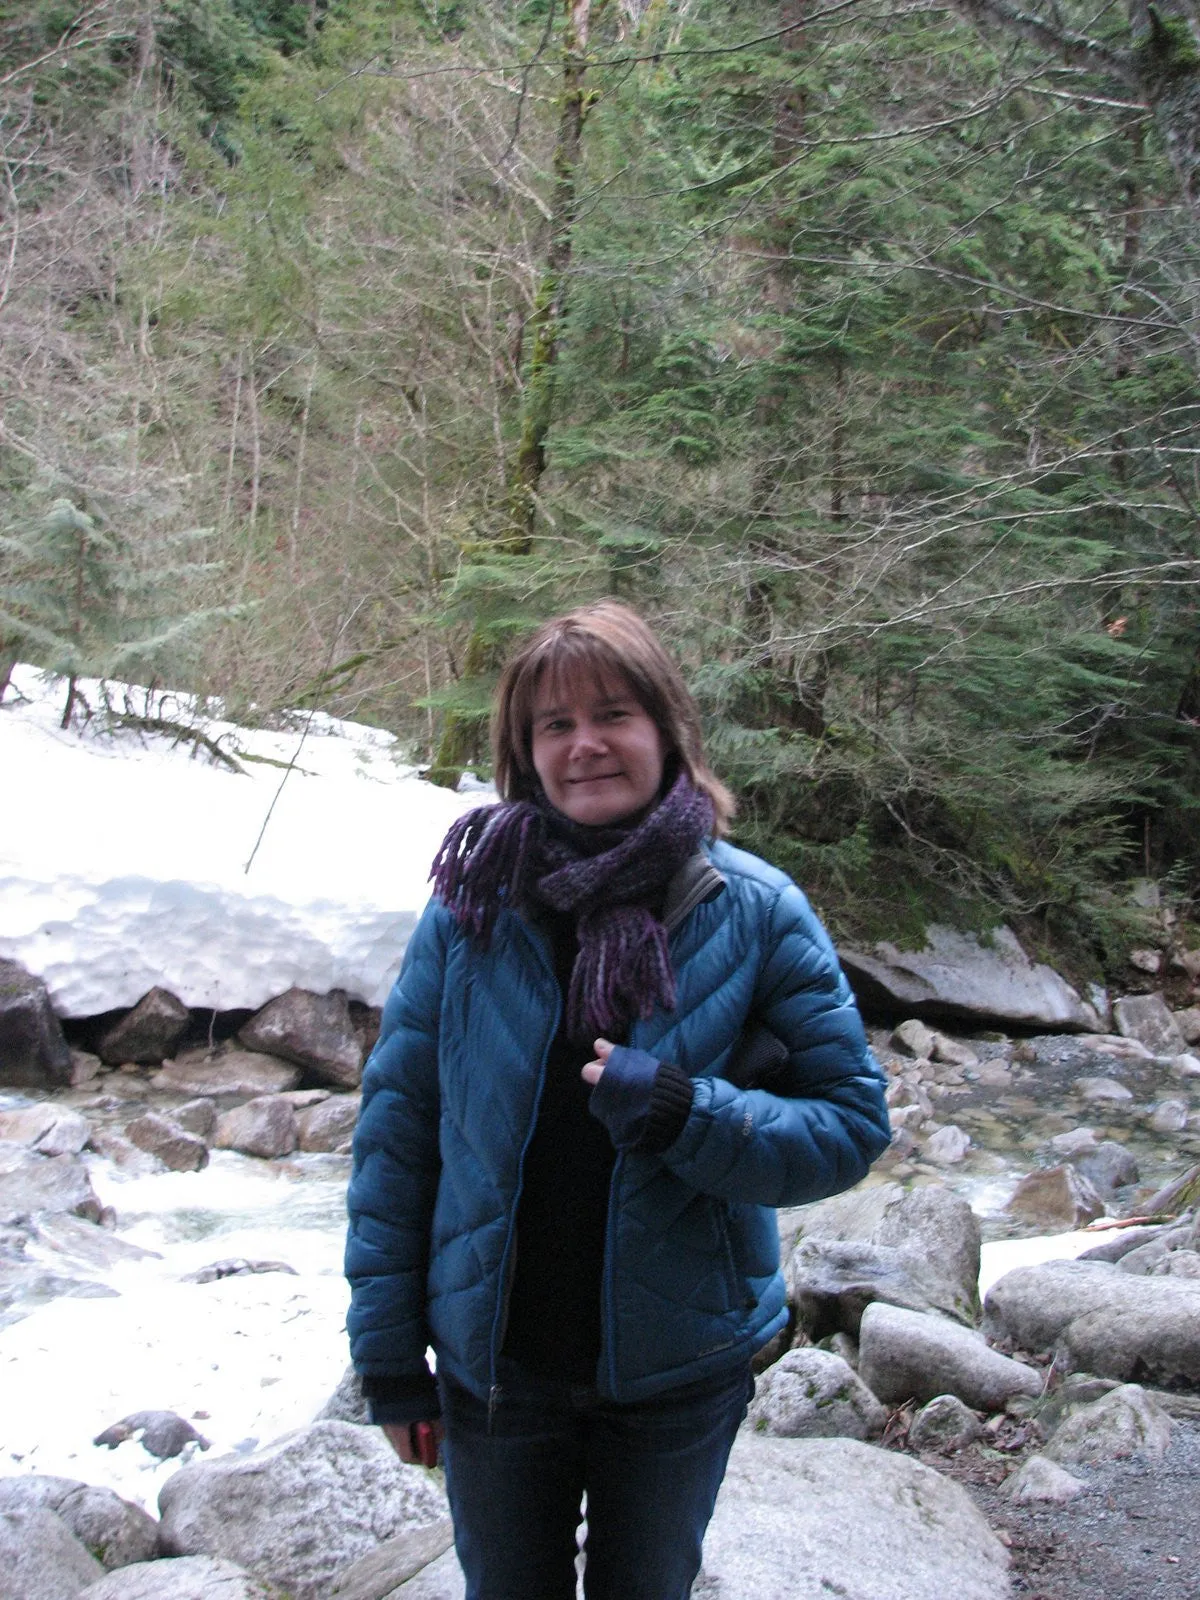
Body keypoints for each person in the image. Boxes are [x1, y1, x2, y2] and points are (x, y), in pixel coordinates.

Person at [345, 601, 891, 1600]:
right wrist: (388, 1360)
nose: (585, 743)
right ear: (525, 751)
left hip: (679, 1371)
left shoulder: (756, 909)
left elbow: (852, 1126)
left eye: (612, 714)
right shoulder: (471, 910)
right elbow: (398, 1140)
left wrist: (695, 1114)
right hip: (496, 1373)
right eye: (554, 725)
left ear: (666, 729)